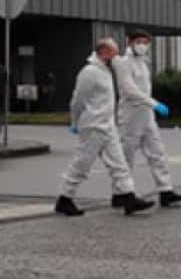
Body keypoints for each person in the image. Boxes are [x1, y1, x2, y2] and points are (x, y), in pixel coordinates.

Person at [55, 38, 153, 217]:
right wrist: (74, 122)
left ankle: (128, 197)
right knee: (82, 164)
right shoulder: (90, 72)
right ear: (105, 52)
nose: (116, 56)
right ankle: (65, 199)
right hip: (93, 126)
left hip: (107, 126)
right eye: (114, 52)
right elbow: (77, 100)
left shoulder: (105, 71)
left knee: (120, 165)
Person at [112, 31, 181, 208]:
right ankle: (121, 193)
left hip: (146, 115)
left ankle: (165, 190)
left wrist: (151, 106)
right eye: (139, 41)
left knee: (157, 153)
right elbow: (128, 89)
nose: (142, 45)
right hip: (130, 116)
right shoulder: (122, 62)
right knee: (127, 156)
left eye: (145, 42)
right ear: (130, 43)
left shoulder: (143, 62)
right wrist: (154, 103)